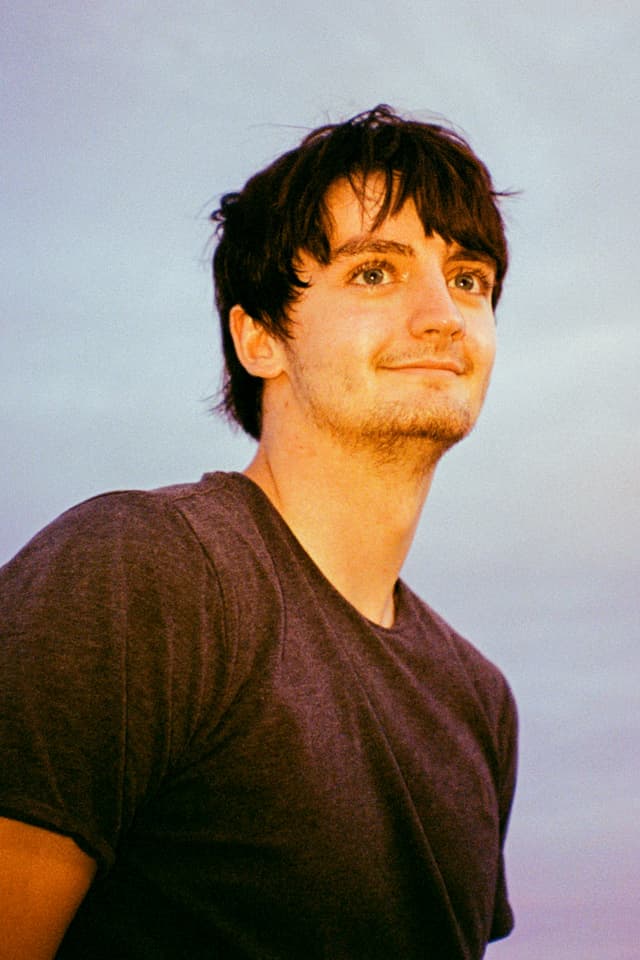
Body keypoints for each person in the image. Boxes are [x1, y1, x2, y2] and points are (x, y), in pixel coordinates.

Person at [0, 105, 517, 959]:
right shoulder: (140, 573)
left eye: (467, 278)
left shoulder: (480, 702)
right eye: (375, 273)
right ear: (259, 336)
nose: (444, 317)